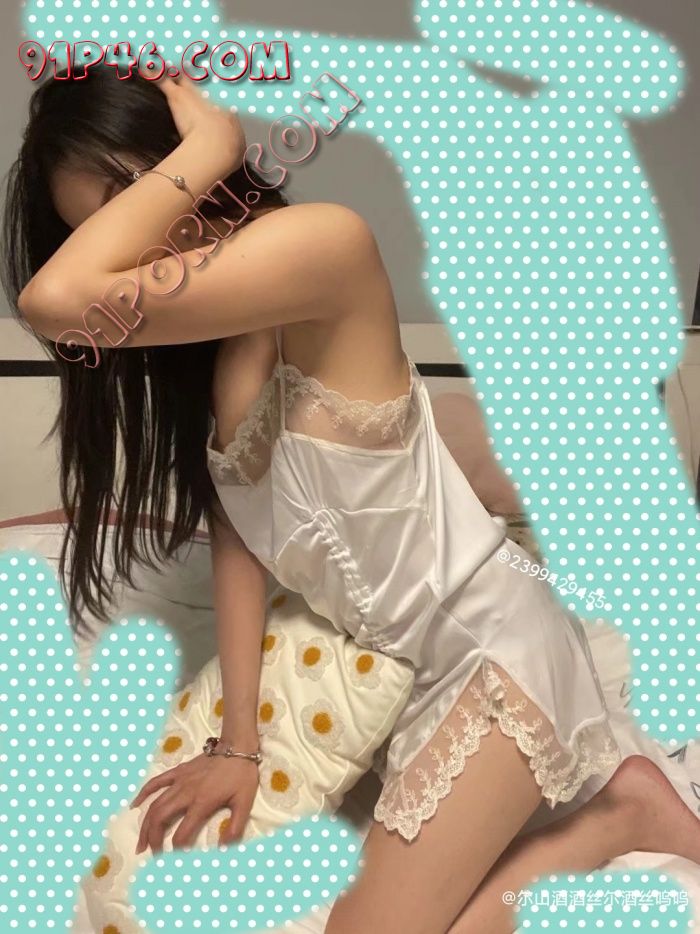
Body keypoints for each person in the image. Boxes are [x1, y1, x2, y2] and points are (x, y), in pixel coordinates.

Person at [2, 65, 698, 934]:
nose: (124, 249)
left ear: (172, 157)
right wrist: (239, 746)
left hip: (496, 651)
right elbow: (238, 542)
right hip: (404, 671)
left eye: (122, 200)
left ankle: (620, 813)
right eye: (91, 231)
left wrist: (213, 143)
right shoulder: (210, 353)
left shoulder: (326, 246)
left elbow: (56, 302)